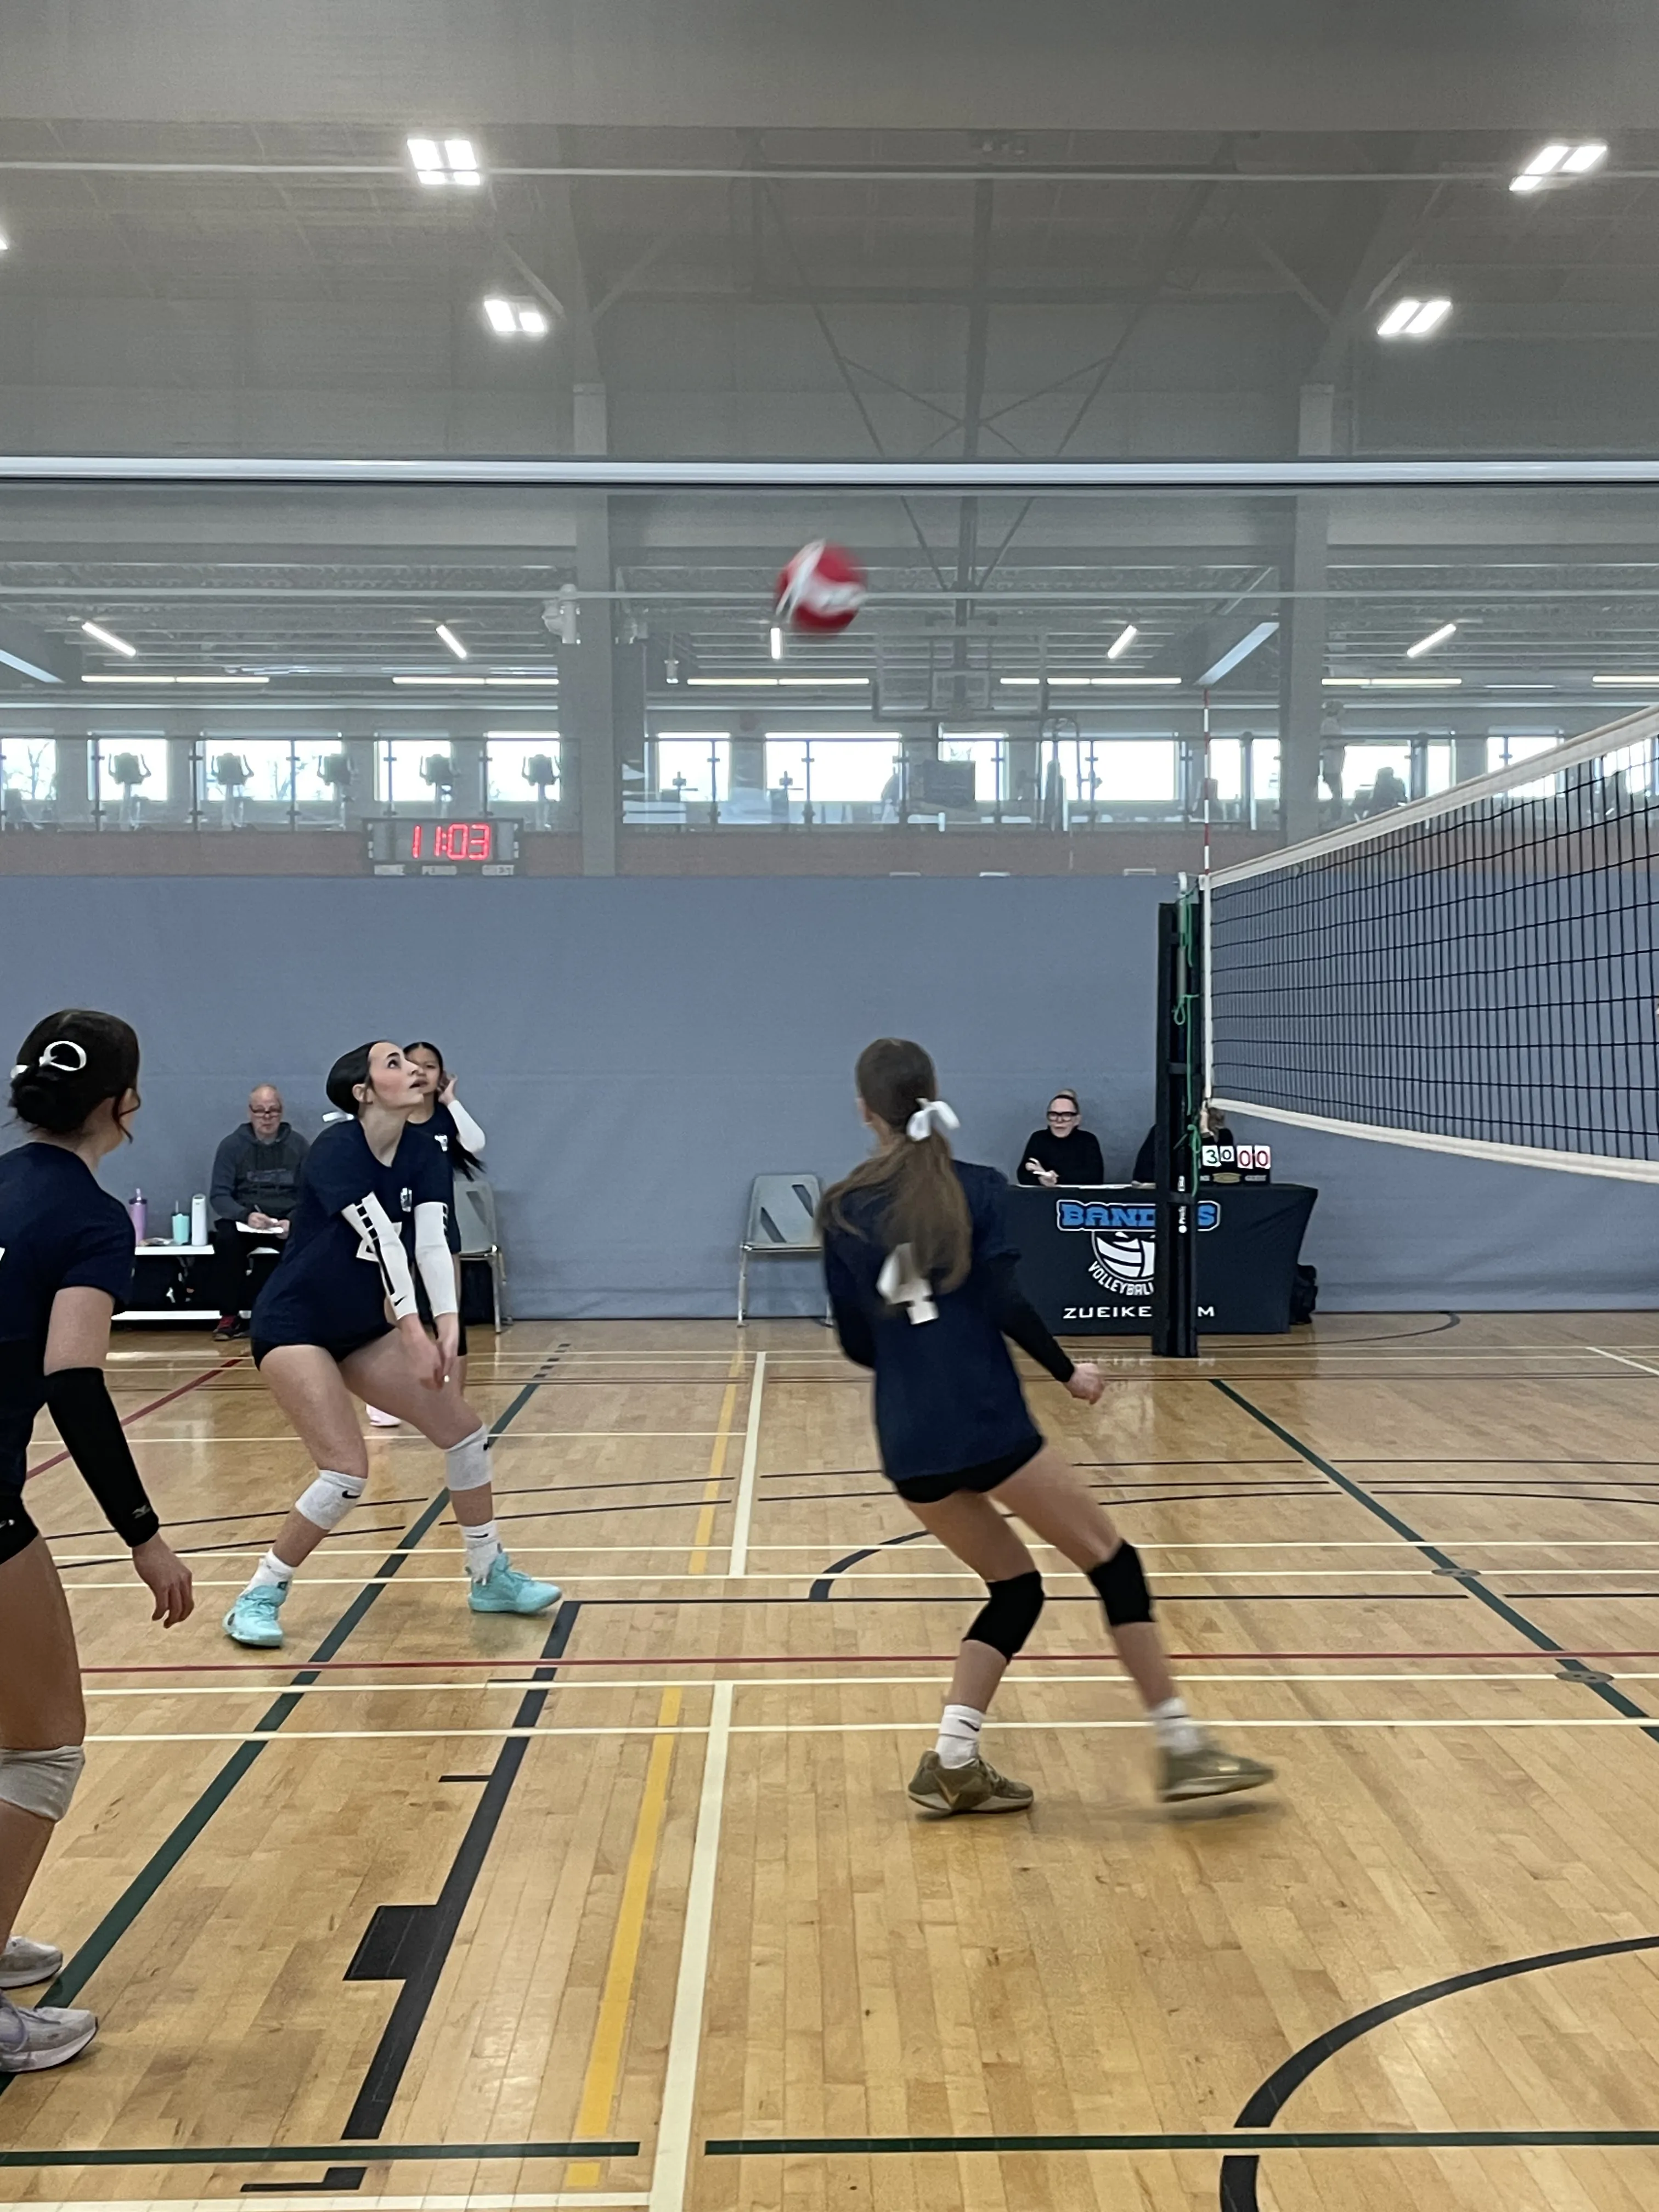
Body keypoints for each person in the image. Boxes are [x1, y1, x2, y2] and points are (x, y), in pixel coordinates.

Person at [821, 1037, 1273, 1815]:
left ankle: (954, 1762)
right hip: (987, 1423)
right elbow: (1004, 1301)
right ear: (932, 1093)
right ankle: (1182, 1750)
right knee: (1114, 1564)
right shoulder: (980, 1189)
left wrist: (910, 1354)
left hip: (908, 1440)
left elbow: (858, 1343)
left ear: (865, 1111)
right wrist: (1069, 1373)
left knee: (1015, 1587)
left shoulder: (840, 1209)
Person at [221, 1040, 558, 1649]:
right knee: (346, 1473)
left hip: (361, 1327)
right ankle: (261, 1592)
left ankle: (490, 1576)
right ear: (364, 1091)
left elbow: (431, 1240)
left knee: (464, 1434)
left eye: (416, 1063)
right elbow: (382, 1240)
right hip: (296, 1325)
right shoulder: (334, 1151)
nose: (414, 1071)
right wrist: (412, 1327)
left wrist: (449, 1323)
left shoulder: (427, 1151)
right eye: (396, 1063)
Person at [0, 1011, 193, 2072]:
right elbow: (73, 1379)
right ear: (122, 1103)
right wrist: (144, 1535)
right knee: (44, 1743)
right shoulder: (86, 1217)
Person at [363, 1043, 487, 1429]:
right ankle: (387, 1397)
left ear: (441, 1075)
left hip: (439, 1228)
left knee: (449, 1312)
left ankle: (453, 1400)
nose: (421, 1073)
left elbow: (475, 1143)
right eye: (411, 1066)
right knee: (395, 1310)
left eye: (430, 1067)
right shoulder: (391, 1121)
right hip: (396, 1227)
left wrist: (452, 1102)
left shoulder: (445, 1121)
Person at [208, 1085, 309, 1342]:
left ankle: (293, 1314)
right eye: (261, 1111)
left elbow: (310, 1194)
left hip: (285, 1218)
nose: (267, 1117)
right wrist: (245, 1216)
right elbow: (219, 1195)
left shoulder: (299, 1146)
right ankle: (230, 1316)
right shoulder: (232, 1146)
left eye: (273, 1111)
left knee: (308, 1241)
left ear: (281, 1112)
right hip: (247, 1219)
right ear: (250, 1113)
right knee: (225, 1241)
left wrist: (293, 1220)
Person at [1016, 1090, 1105, 1188]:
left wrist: (1055, 1179)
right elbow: (1023, 1174)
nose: (1059, 1120)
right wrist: (1041, 1179)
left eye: (1067, 1115)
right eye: (1054, 1115)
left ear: (1077, 1120)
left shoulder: (1088, 1141)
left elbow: (1095, 1177)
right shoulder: (1038, 1139)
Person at [1133, 1099, 1235, 1182]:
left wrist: (1206, 1135)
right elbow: (1143, 1175)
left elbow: (1219, 1171)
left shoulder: (1224, 1135)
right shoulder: (1169, 1132)